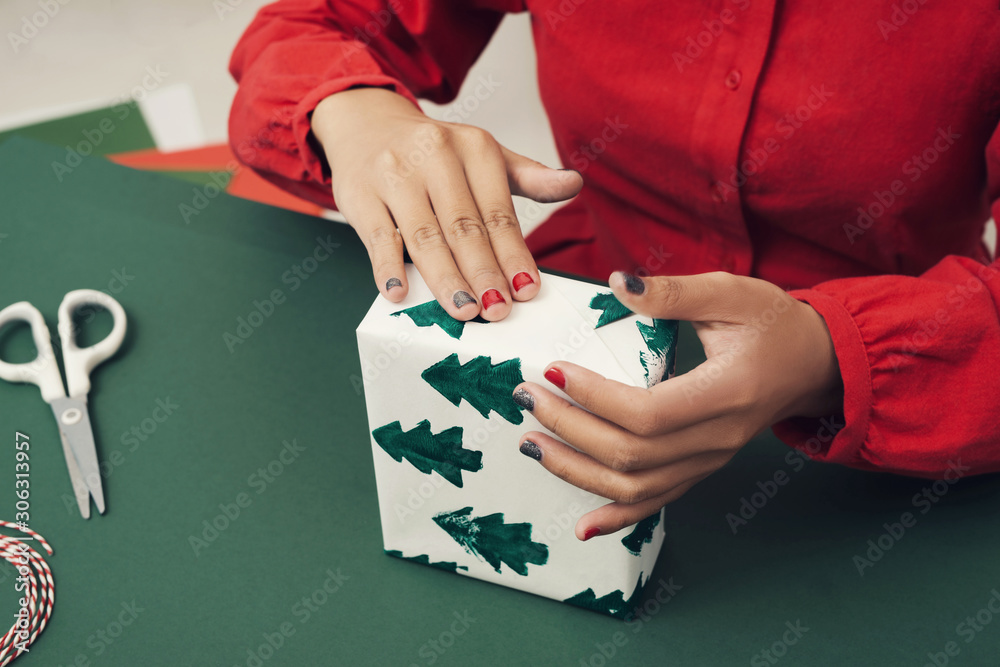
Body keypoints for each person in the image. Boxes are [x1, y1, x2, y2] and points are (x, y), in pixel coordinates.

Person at [228, 0, 1000, 540]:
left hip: (907, 420)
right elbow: (312, 25)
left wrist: (830, 354)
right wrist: (352, 107)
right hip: (583, 318)